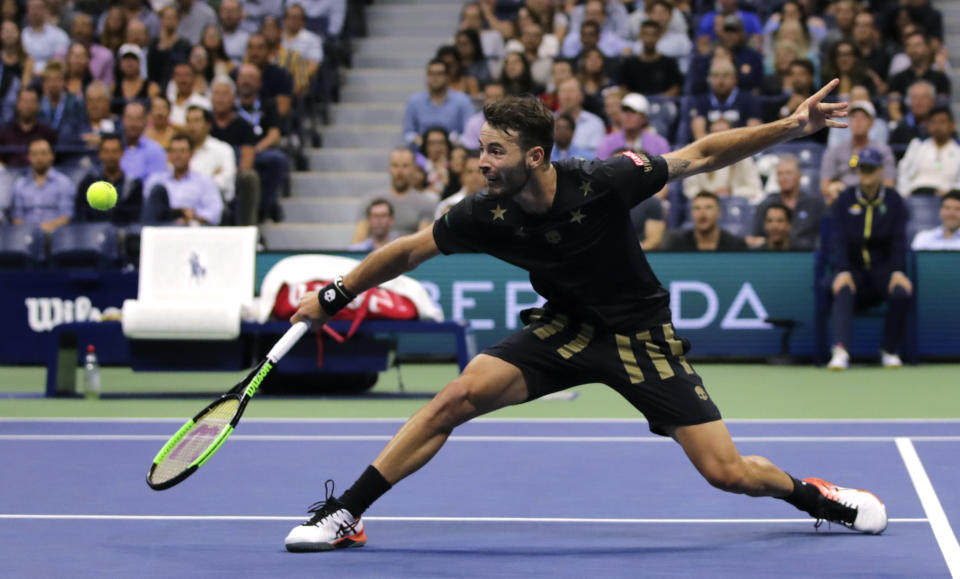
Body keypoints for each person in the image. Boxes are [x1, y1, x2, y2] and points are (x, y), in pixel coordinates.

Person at [283, 82, 888, 552]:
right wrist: (337, 292)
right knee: (454, 398)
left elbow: (701, 155)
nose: (482, 162)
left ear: (536, 155)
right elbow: (410, 249)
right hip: (563, 328)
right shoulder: (483, 213)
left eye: (495, 151)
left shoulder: (603, 181)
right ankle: (345, 513)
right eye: (480, 149)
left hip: (642, 339)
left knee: (726, 473)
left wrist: (792, 126)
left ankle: (816, 498)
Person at [827, 147, 910, 370]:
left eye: (871, 169)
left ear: (882, 170)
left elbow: (898, 240)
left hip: (883, 269)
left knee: (901, 292)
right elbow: (839, 239)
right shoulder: (845, 199)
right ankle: (841, 349)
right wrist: (842, 270)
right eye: (863, 169)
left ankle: (889, 349)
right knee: (841, 288)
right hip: (852, 268)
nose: (867, 173)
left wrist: (898, 271)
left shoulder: (894, 201)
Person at [235, 63, 288, 222]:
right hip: (234, 151)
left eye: (251, 78)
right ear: (237, 81)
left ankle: (261, 209)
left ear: (259, 83)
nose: (246, 82)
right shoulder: (230, 103)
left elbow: (274, 134)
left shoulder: (268, 104)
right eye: (243, 77)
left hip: (259, 150)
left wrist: (255, 149)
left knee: (277, 159)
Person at [351, 148, 438, 244]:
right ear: (389, 168)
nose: (399, 171)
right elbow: (358, 242)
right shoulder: (370, 201)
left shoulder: (426, 202)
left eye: (405, 166)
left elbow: (423, 243)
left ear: (413, 168)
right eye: (395, 165)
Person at [820, 100, 896, 206]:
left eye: (863, 118)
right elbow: (825, 185)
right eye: (854, 117)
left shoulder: (883, 151)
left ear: (871, 122)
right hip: (843, 199)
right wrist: (833, 188)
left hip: (873, 199)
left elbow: (889, 184)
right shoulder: (835, 150)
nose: (858, 122)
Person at [209, 77, 260, 226]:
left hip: (231, 176)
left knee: (249, 178)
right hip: (205, 176)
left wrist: (228, 173)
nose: (220, 99)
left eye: (224, 94)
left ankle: (248, 232)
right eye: (216, 94)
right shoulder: (203, 123)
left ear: (233, 98)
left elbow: (247, 161)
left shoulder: (244, 126)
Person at [142, 134, 223, 226]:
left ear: (192, 154)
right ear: (169, 154)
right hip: (160, 227)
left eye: (183, 151)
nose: (178, 155)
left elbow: (216, 213)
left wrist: (194, 215)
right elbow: (147, 210)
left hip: (190, 229)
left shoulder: (204, 182)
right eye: (174, 151)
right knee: (158, 190)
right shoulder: (155, 180)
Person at [749, 155, 826, 250]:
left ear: (799, 176)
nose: (783, 178)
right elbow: (756, 237)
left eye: (788, 173)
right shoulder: (766, 204)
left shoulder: (815, 204)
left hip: (807, 256)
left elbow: (825, 237)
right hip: (773, 256)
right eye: (780, 174)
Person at [403, 58, 475, 147]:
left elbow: (470, 133)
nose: (435, 78)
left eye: (439, 74)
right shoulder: (414, 101)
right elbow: (408, 132)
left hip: (453, 152)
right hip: (421, 153)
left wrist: (453, 141)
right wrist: (418, 140)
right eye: (431, 74)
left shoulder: (463, 100)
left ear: (447, 77)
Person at [75, 134, 143, 225]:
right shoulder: (87, 184)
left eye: (115, 151)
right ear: (100, 154)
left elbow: (136, 218)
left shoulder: (134, 185)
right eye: (106, 152)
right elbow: (81, 216)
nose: (110, 156)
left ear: (122, 153)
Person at [9, 137, 73, 232]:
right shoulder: (19, 185)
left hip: (55, 235)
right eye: (34, 154)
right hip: (25, 237)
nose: (39, 158)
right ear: (29, 157)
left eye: (43, 153)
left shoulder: (64, 182)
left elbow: (66, 217)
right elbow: (17, 218)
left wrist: (42, 230)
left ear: (52, 155)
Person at [897, 107, 960, 197]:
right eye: (933, 122)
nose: (937, 126)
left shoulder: (958, 150)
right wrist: (905, 193)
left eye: (942, 122)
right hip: (916, 194)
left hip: (947, 198)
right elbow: (903, 171)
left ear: (952, 125)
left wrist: (951, 194)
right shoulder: (917, 146)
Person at [662, 191, 748, 251]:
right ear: (691, 213)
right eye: (697, 208)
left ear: (719, 212)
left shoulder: (736, 245)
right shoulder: (676, 243)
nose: (702, 213)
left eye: (708, 208)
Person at [596, 93, 670, 161]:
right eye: (625, 111)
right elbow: (600, 170)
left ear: (644, 118)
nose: (628, 116)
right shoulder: (607, 142)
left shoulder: (659, 144)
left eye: (633, 112)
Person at [120, 100, 167, 183]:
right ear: (123, 120)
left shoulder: (155, 150)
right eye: (130, 119)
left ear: (145, 121)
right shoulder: (113, 148)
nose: (133, 124)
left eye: (137, 119)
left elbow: (157, 184)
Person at [21, 0, 70, 74]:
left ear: (46, 10)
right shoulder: (21, 35)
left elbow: (59, 63)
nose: (35, 12)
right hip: (24, 74)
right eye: (32, 8)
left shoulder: (59, 35)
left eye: (38, 8)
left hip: (51, 76)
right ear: (27, 12)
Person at [434, 151, 485, 218]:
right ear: (462, 176)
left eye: (479, 172)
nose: (474, 176)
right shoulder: (446, 205)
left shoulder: (497, 204)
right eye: (470, 172)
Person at [219, 0, 250, 65]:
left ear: (240, 13)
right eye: (225, 10)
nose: (229, 14)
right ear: (220, 12)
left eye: (233, 10)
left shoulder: (247, 38)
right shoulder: (214, 35)